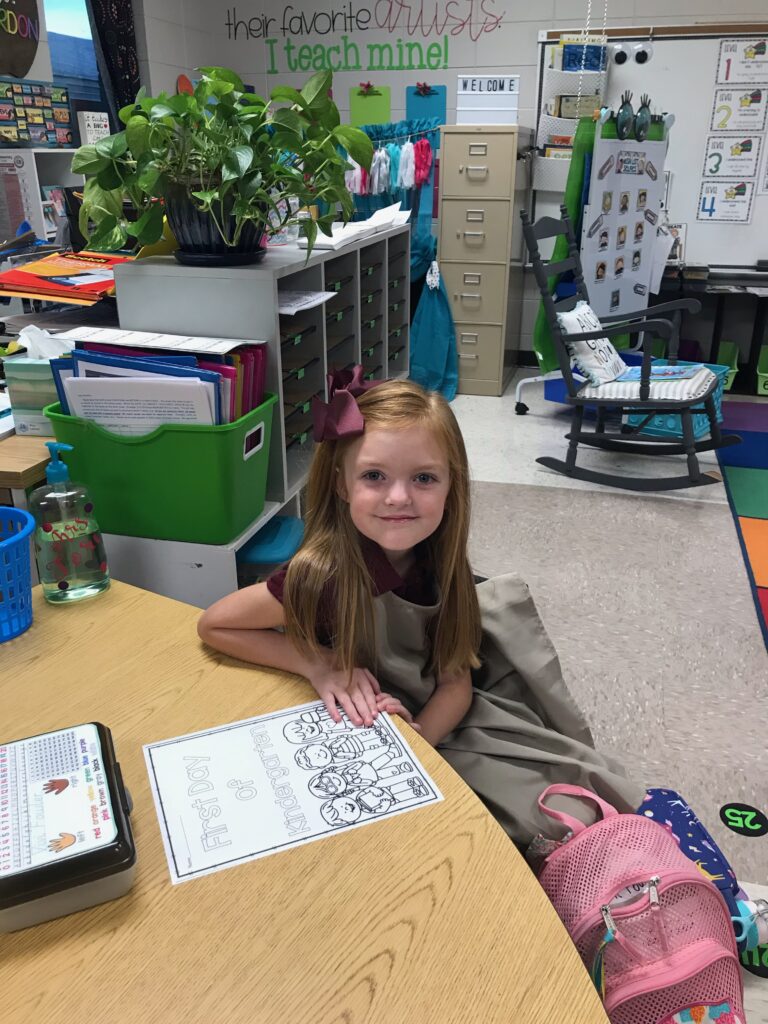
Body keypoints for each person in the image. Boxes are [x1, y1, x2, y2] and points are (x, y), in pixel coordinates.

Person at [198, 369, 645, 848]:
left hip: (433, 719)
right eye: (374, 476)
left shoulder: (441, 560)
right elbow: (215, 624)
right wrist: (319, 665)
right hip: (364, 724)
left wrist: (421, 738)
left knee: (566, 804)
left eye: (424, 478)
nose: (398, 498)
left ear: (452, 486)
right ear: (342, 486)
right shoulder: (320, 577)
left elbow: (456, 683)